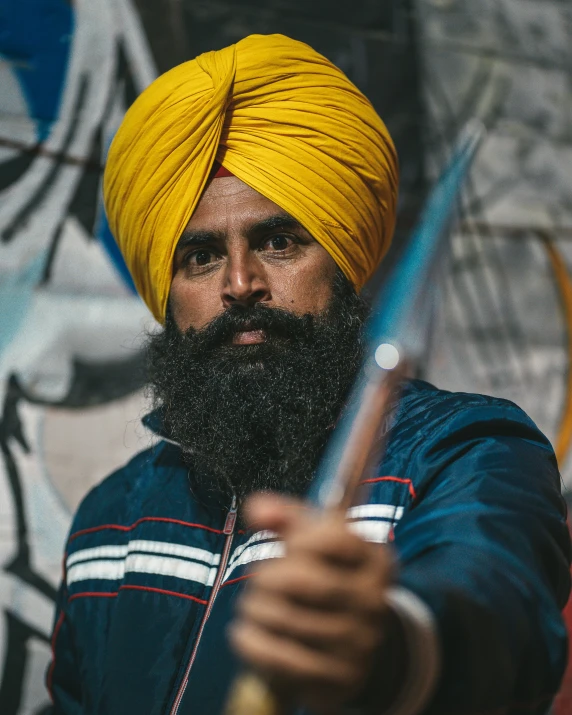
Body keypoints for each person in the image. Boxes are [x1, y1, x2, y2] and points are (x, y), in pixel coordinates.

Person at [46, 34, 570, 715]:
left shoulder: (467, 450)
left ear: (345, 262)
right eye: (200, 256)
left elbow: (497, 608)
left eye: (277, 241)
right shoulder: (109, 519)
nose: (240, 284)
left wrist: (389, 648)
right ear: (165, 292)